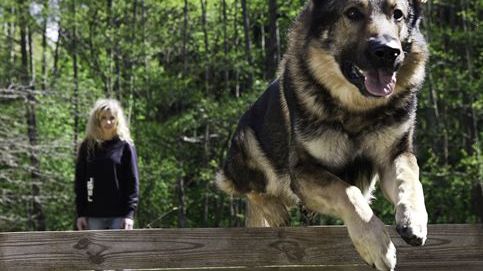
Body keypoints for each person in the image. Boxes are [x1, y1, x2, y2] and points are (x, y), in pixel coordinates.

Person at [75, 98, 139, 231]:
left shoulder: (125, 146)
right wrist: (81, 214)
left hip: (119, 216)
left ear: (117, 120)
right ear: (97, 120)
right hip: (93, 216)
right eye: (103, 118)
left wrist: (129, 214)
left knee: (118, 252)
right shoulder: (87, 146)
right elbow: (80, 182)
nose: (108, 122)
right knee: (94, 252)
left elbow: (132, 182)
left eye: (112, 118)